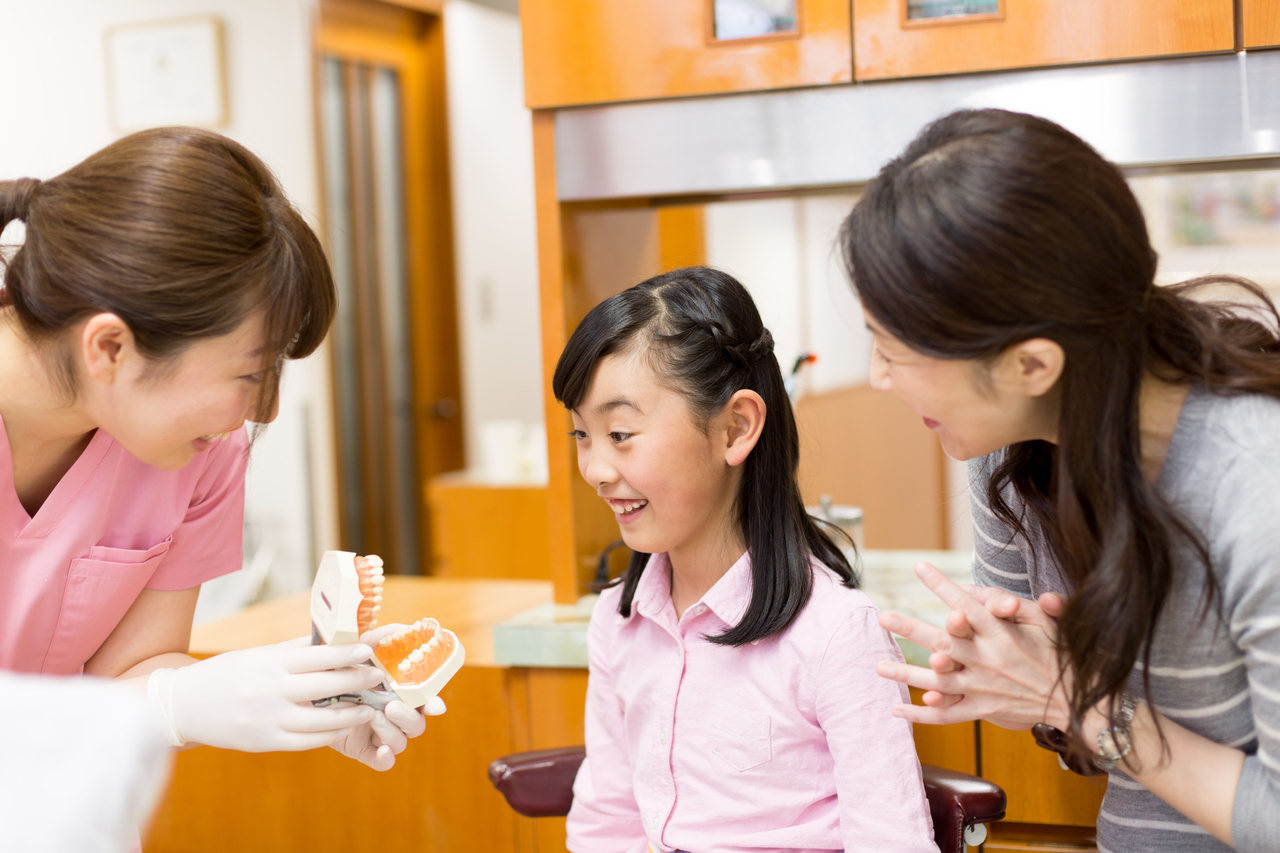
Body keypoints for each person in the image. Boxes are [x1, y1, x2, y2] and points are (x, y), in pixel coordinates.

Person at [843, 108, 1280, 853]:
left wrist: (1075, 699)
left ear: (1033, 365)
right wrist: (1019, 681)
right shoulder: (1012, 452)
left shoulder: (1257, 487)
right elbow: (1069, 712)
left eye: (896, 350)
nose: (877, 378)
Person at [0, 128, 431, 772]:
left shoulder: (198, 453)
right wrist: (174, 706)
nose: (266, 410)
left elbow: (135, 670)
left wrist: (295, 685)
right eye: (250, 373)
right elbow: (157, 704)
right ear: (110, 348)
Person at [554, 267, 935, 853]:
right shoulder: (618, 620)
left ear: (736, 427)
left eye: (621, 433)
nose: (597, 470)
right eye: (582, 435)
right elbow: (607, 823)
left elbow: (892, 842)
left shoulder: (836, 633)